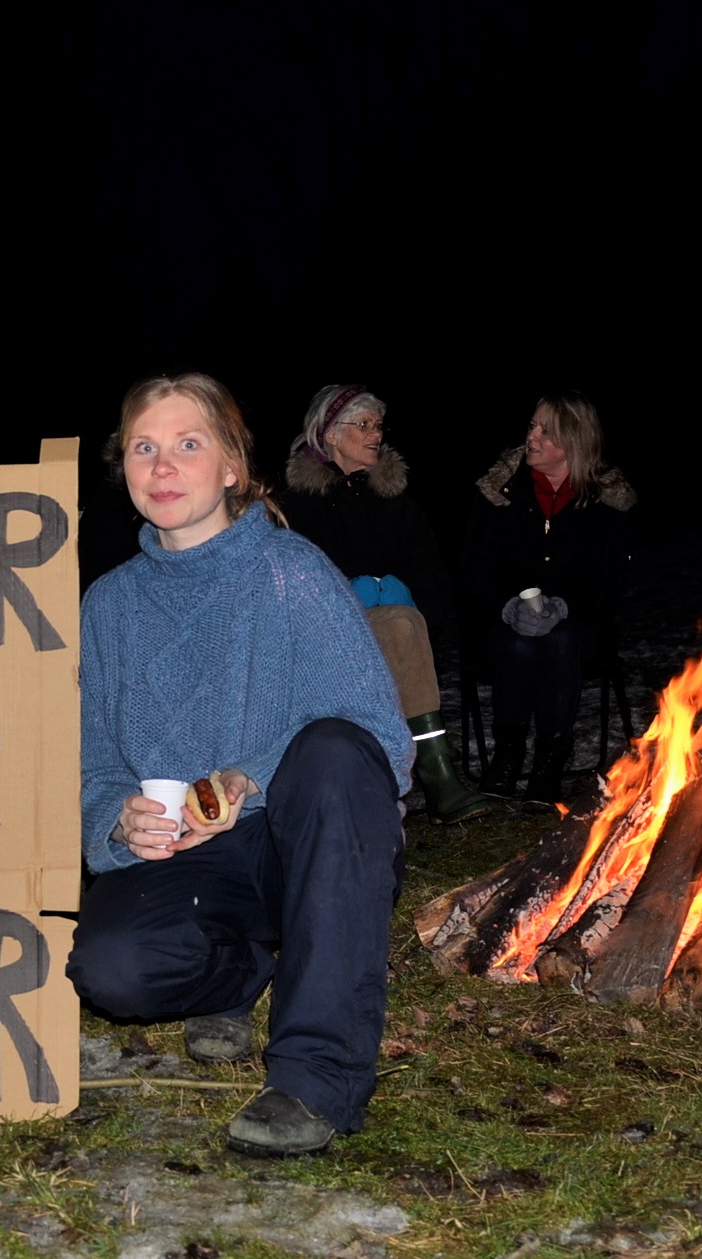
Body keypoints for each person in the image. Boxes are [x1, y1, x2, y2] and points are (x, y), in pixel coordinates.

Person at [66, 374, 412, 1158]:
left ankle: (315, 1076)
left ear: (230, 466)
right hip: (198, 862)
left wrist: (248, 773)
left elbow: (382, 742)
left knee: (331, 751)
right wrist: (119, 817)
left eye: (188, 445)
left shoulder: (292, 573)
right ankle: (233, 976)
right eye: (145, 448)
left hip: (305, 845)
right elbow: (93, 764)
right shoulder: (108, 606)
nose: (163, 467)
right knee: (112, 969)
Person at [281, 385, 495, 824]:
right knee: (397, 624)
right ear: (330, 435)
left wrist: (403, 595)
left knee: (400, 621)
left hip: (401, 633)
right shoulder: (295, 508)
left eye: (378, 424)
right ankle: (437, 774)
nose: (375, 433)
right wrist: (350, 596)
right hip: (322, 638)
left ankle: (404, 778)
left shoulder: (398, 504)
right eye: (363, 425)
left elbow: (432, 576)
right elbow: (291, 585)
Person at [462, 390, 636, 803]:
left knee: (560, 639)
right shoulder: (500, 492)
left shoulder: (605, 502)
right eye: (532, 426)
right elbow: (472, 568)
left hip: (580, 630)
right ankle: (508, 754)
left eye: (547, 431)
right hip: (503, 627)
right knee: (520, 643)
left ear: (575, 442)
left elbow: (612, 582)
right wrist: (504, 606)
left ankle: (549, 761)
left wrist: (564, 607)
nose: (533, 438)